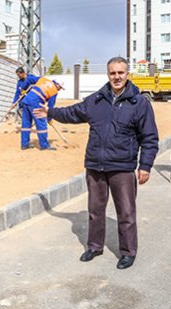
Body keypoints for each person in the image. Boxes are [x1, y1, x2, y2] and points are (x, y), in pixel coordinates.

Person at [34, 57, 159, 269]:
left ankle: (128, 252)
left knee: (126, 212)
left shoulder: (139, 104)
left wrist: (145, 166)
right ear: (108, 75)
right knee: (95, 210)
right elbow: (73, 112)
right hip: (95, 166)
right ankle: (94, 246)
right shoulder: (96, 100)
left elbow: (150, 138)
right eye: (113, 73)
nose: (117, 77)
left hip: (122, 167)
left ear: (127, 74)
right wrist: (51, 112)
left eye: (120, 73)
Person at [20, 76, 64, 150]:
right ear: (57, 84)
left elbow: (29, 78)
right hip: (35, 103)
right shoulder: (54, 91)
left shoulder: (43, 79)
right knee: (41, 124)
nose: (59, 90)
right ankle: (44, 146)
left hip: (26, 101)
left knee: (26, 124)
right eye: (60, 88)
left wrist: (23, 89)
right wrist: (49, 119)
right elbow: (50, 107)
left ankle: (24, 144)